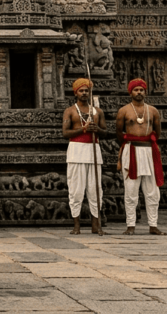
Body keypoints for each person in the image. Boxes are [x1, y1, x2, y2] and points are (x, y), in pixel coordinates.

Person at [116, 78, 166, 236]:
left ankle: (153, 225)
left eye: (141, 90)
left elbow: (157, 132)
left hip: (148, 151)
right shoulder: (124, 111)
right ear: (130, 92)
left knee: (152, 191)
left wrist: (145, 142)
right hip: (131, 150)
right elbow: (118, 132)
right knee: (131, 190)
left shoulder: (152, 111)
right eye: (136, 90)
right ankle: (130, 225)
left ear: (145, 92)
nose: (139, 92)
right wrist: (131, 142)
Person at [62, 78, 107, 235]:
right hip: (76, 151)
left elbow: (106, 132)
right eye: (81, 90)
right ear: (75, 92)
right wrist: (83, 129)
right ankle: (76, 226)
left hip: (93, 150)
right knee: (76, 190)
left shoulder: (98, 112)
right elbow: (65, 133)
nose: (84, 93)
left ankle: (96, 225)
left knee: (95, 189)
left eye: (86, 90)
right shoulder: (70, 111)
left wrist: (96, 129)